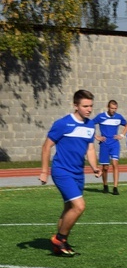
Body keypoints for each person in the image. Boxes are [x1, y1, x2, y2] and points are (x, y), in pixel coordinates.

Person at [39, 90, 102, 257]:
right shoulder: (63, 124)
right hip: (62, 171)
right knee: (79, 206)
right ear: (76, 106)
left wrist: (94, 167)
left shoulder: (90, 125)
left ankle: (59, 246)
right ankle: (60, 238)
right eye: (85, 106)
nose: (89, 109)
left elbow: (90, 148)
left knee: (69, 208)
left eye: (91, 106)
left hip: (78, 173)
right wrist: (44, 171)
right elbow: (46, 147)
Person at [93, 99, 127, 195]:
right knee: (105, 167)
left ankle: (115, 187)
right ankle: (105, 185)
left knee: (115, 164)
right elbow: (89, 124)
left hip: (114, 143)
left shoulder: (118, 117)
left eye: (115, 108)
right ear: (108, 107)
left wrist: (121, 135)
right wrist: (96, 136)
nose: (113, 110)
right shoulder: (101, 117)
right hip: (104, 144)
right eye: (112, 108)